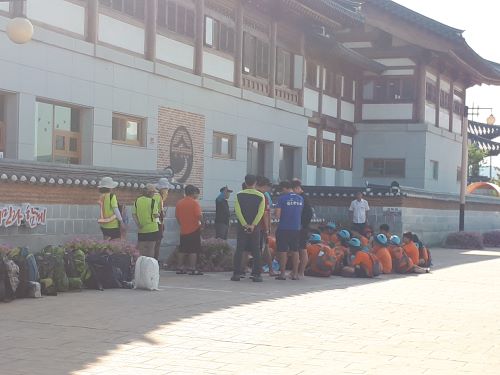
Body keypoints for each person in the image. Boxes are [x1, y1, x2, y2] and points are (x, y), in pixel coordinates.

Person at [231, 175, 266, 282]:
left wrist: (244, 224)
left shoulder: (238, 195)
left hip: (242, 227)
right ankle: (256, 274)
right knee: (256, 250)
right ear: (255, 183)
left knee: (239, 249)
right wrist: (253, 225)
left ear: (245, 183)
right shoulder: (261, 196)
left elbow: (237, 211)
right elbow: (261, 212)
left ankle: (236, 273)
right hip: (255, 227)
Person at [275, 180, 304, 280]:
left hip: (283, 227)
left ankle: (282, 274)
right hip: (296, 228)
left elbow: (278, 215)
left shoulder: (281, 198)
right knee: (295, 250)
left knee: (282, 251)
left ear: (284, 188)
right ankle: (295, 274)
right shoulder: (300, 199)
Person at [175, 185, 203, 275]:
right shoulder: (195, 203)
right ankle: (192, 268)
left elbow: (177, 217)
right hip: (194, 228)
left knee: (182, 249)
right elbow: (199, 215)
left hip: (183, 229)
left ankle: (179, 267)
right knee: (193, 250)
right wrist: (203, 223)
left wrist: (182, 224)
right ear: (193, 192)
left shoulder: (179, 203)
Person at [132, 184, 160, 258]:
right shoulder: (153, 202)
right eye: (153, 192)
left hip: (141, 229)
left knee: (141, 249)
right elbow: (155, 215)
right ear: (150, 192)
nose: (154, 194)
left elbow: (134, 214)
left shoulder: (137, 200)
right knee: (150, 249)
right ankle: (149, 266)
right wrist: (159, 214)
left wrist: (138, 224)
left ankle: (141, 266)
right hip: (152, 228)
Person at [256, 176, 276, 276]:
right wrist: (268, 228)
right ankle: (267, 269)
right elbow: (265, 213)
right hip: (261, 227)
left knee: (251, 248)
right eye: (268, 187)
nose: (268, 190)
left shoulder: (251, 194)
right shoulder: (263, 196)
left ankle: (252, 269)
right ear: (265, 186)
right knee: (263, 248)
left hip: (251, 226)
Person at [292, 179, 312, 278]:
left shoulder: (303, 198)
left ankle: (301, 272)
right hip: (300, 226)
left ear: (297, 188)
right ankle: (297, 271)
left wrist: (303, 224)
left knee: (302, 249)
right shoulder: (301, 197)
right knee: (298, 248)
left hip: (302, 227)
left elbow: (309, 214)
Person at [153, 178, 174, 262]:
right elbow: (156, 212)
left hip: (154, 224)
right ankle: (155, 261)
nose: (167, 192)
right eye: (167, 190)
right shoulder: (158, 197)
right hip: (157, 224)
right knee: (156, 245)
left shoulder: (155, 196)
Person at [97, 176, 125, 241]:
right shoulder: (112, 196)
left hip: (103, 225)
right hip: (113, 225)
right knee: (115, 245)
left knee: (106, 245)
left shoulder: (101, 196)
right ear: (110, 187)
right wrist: (121, 221)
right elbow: (116, 210)